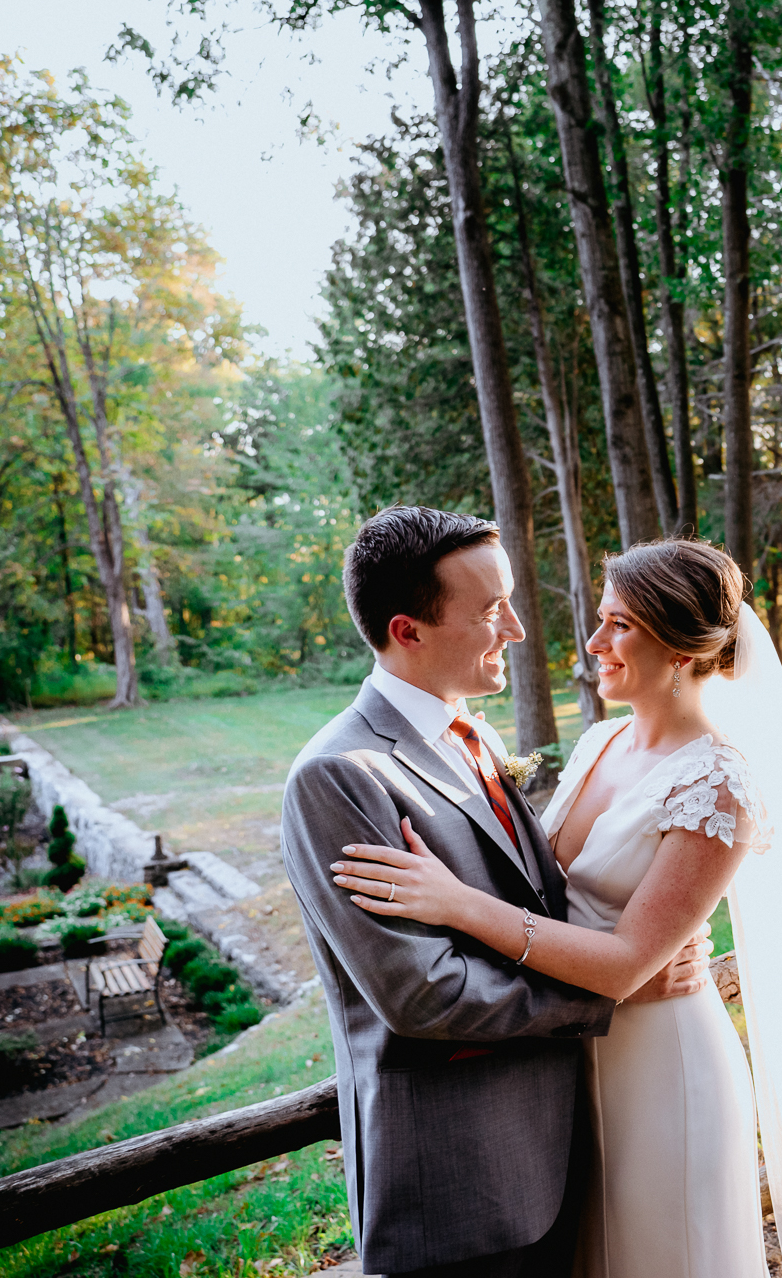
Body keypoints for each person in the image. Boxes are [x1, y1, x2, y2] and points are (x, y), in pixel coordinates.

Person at [333, 538, 782, 1278]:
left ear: (682, 650)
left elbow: (625, 966)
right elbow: (547, 892)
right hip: (571, 1061)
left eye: (619, 625)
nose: (594, 645)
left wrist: (456, 905)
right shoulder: (600, 742)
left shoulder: (720, 783)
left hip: (663, 1061)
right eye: (602, 620)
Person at [280, 507, 708, 1278]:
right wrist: (613, 994)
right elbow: (425, 995)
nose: (516, 628)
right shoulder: (339, 775)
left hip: (563, 1142)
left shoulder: (475, 734)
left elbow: (541, 900)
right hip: (461, 1177)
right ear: (408, 631)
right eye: (489, 611)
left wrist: (635, 937)